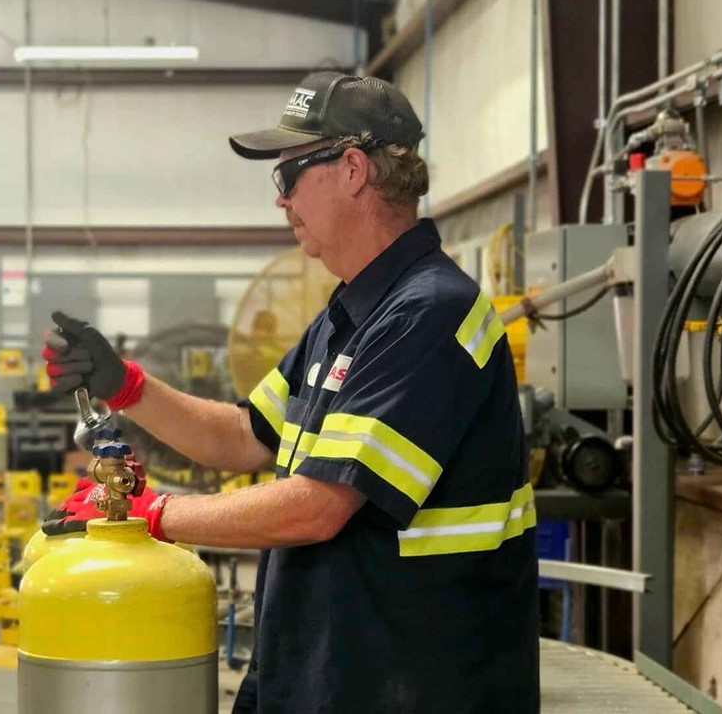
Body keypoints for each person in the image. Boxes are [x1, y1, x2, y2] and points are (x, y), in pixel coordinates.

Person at [43, 71, 540, 714]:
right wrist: (126, 386)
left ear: (353, 170)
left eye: (289, 176)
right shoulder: (351, 312)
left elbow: (317, 507)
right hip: (332, 669)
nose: (280, 200)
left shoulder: (429, 312)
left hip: (411, 681)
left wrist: (145, 513)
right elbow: (244, 436)